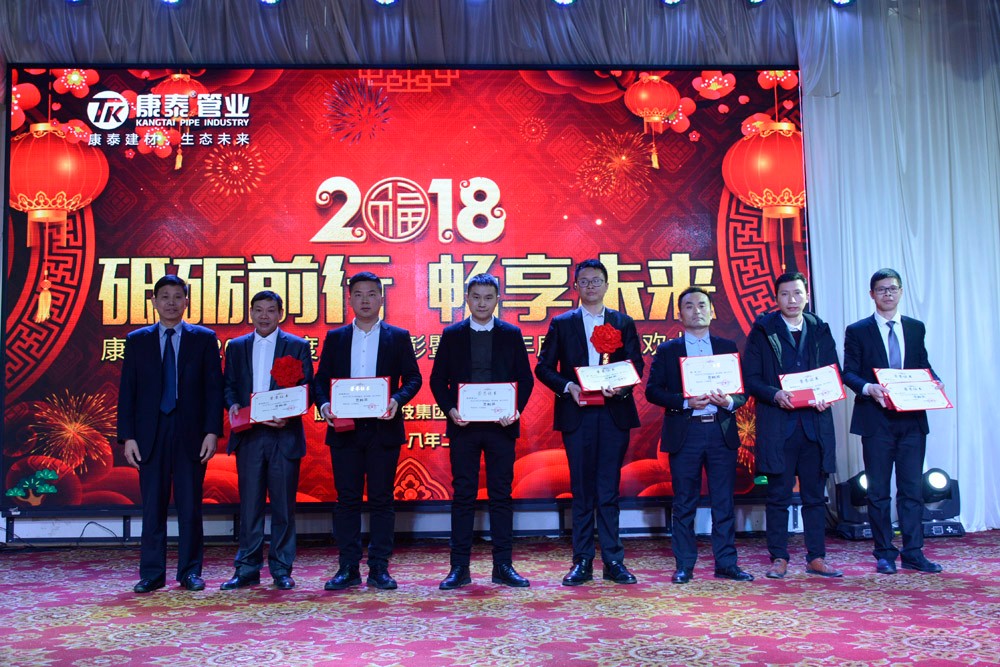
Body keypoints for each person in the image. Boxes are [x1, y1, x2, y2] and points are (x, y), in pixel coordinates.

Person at [535, 259, 644, 586]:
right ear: (576, 287)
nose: (591, 286)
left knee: (608, 489)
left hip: (613, 414)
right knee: (582, 490)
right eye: (584, 281)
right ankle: (581, 561)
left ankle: (613, 560)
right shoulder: (562, 323)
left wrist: (620, 387)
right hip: (577, 413)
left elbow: (635, 364)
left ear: (607, 285)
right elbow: (543, 367)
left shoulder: (622, 322)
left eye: (597, 280)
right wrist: (568, 386)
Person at [313, 272, 422, 590]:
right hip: (344, 429)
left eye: (372, 294)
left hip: (383, 429)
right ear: (350, 299)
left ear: (381, 299)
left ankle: (379, 568)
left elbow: (413, 378)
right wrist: (324, 405)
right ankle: (347, 567)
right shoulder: (336, 338)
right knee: (346, 500)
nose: (365, 300)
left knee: (382, 500)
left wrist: (396, 400)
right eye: (359, 294)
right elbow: (320, 381)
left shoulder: (397, 336)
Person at [117, 274, 224, 594]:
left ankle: (190, 572)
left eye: (178, 297)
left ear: (187, 301)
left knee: (190, 506)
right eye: (165, 297)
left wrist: (212, 432)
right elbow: (128, 391)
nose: (171, 303)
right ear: (154, 302)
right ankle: (152, 573)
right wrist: (128, 437)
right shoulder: (137, 340)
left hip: (191, 432)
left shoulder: (204, 339)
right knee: (153, 507)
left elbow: (213, 390)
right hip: (150, 433)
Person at [430, 274, 535, 590]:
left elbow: (525, 379)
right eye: (476, 297)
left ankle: (503, 565)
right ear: (467, 298)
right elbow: (438, 380)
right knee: (463, 495)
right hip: (464, 426)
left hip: (501, 426)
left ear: (497, 300)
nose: (481, 303)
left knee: (501, 494)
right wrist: (450, 409)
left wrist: (515, 409)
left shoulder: (511, 334)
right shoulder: (452, 335)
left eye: (488, 297)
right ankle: (459, 567)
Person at [645, 287, 752, 584]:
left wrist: (728, 401)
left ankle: (726, 563)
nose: (697, 311)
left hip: (720, 431)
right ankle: (684, 565)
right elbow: (653, 391)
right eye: (689, 306)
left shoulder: (727, 347)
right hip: (686, 431)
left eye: (702, 305)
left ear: (712, 311)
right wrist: (685, 401)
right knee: (684, 502)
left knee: (723, 501)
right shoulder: (668, 351)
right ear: (680, 314)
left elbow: (742, 392)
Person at [742, 271, 843, 579]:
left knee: (815, 497)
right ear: (776, 298)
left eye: (797, 293)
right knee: (778, 497)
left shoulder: (820, 329)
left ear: (806, 296)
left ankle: (816, 557)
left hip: (815, 426)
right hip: (779, 426)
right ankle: (779, 557)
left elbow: (833, 371)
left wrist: (827, 395)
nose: (792, 299)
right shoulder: (763, 330)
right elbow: (751, 379)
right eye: (785, 294)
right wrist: (775, 394)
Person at [843, 268, 944, 574]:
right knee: (878, 492)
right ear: (871, 294)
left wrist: (934, 381)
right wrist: (867, 388)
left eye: (892, 288)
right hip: (876, 420)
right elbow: (849, 373)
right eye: (881, 289)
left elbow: (922, 364)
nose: (887, 293)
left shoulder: (915, 327)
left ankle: (913, 552)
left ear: (901, 292)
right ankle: (884, 553)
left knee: (912, 489)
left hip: (912, 421)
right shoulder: (857, 330)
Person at [220, 290, 314, 591]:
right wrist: (232, 404)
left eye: (271, 310)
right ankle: (247, 568)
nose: (264, 316)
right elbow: (228, 385)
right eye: (258, 310)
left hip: (283, 435)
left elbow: (307, 389)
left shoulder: (297, 346)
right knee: (250, 506)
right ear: (251, 313)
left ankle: (282, 568)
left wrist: (289, 414)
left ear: (280, 314)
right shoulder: (236, 347)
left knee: (284, 507)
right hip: (249, 435)